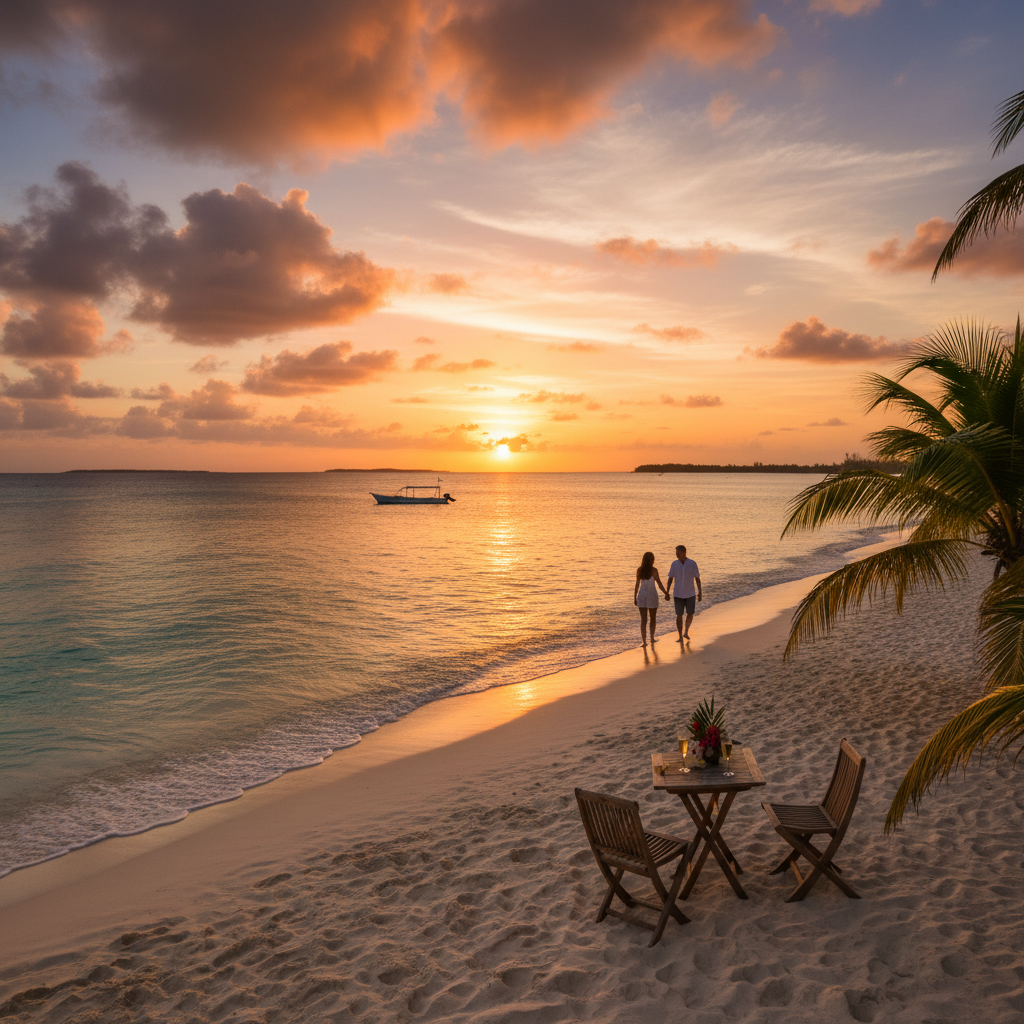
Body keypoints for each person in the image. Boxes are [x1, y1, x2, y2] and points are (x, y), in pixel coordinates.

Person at [665, 544, 702, 642]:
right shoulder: (674, 564)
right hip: (678, 594)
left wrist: (700, 592)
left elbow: (697, 578)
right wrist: (667, 592)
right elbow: (670, 579)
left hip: (690, 593)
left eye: (678, 552)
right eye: (676, 552)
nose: (676, 554)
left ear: (684, 553)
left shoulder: (692, 563)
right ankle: (680, 636)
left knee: (690, 613)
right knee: (679, 615)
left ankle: (686, 631)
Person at [634, 551, 668, 646]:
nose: (654, 560)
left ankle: (644, 641)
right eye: (653, 559)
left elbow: (637, 585)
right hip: (652, 596)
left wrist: (635, 597)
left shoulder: (639, 570)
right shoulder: (654, 570)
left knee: (643, 620)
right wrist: (666, 593)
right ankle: (652, 638)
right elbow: (659, 583)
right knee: (652, 618)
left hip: (642, 596)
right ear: (650, 560)